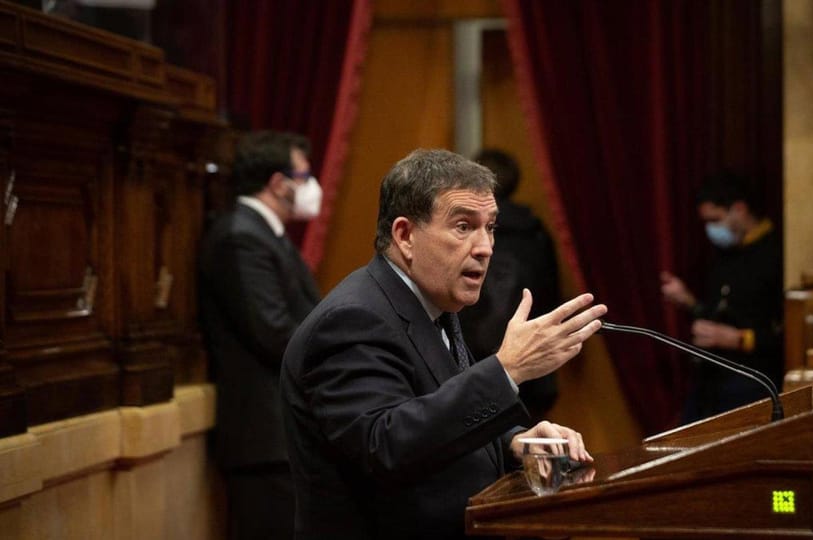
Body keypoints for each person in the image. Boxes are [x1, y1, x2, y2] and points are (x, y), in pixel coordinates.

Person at [281, 149, 607, 539]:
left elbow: (437, 420)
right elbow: (386, 446)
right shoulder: (353, 319)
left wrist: (516, 442)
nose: (485, 247)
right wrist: (507, 370)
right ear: (405, 236)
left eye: (490, 228)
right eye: (463, 226)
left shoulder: (434, 306)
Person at [199, 130, 323, 540]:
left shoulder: (265, 233)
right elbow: (273, 333)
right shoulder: (241, 236)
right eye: (304, 175)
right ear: (277, 182)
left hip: (282, 434)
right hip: (263, 437)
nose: (311, 186)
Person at [660, 172, 783, 423]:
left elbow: (786, 332)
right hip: (712, 378)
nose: (711, 230)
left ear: (739, 209)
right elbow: (721, 312)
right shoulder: (725, 253)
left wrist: (739, 339)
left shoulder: (777, 253)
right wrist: (690, 302)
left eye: (715, 220)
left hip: (753, 380)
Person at [458, 149, 561, 422]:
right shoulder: (535, 232)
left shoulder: (465, 233)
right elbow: (551, 294)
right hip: (533, 361)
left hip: (472, 361)